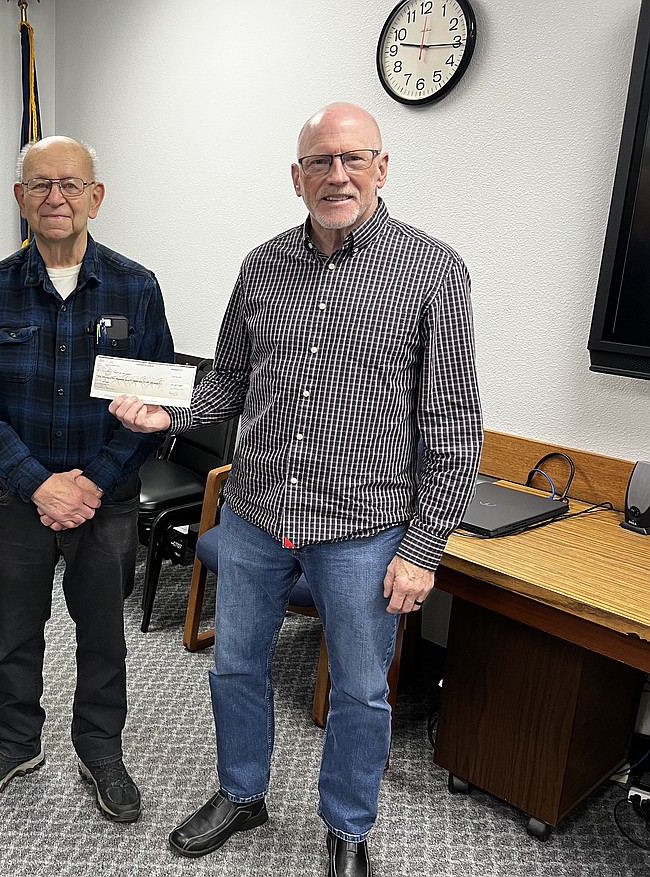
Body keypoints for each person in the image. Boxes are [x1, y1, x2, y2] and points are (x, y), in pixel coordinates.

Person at [110, 103, 481, 876]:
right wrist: (166, 411)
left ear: (382, 168)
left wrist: (423, 547)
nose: (335, 175)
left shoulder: (434, 271)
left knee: (359, 691)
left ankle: (347, 826)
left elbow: (452, 427)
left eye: (353, 159)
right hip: (254, 514)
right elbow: (231, 386)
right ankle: (241, 794)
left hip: (365, 527)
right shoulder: (262, 265)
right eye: (319, 161)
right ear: (296, 175)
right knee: (235, 666)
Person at [0, 135, 175, 824]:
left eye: (71, 184)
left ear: (95, 197)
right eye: (40, 185)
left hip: (105, 502)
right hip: (18, 500)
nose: (56, 197)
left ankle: (100, 749)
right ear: (20, 198)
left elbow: (156, 405)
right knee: (16, 630)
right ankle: (15, 742)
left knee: (102, 631)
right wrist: (36, 482)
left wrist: (93, 482)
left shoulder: (137, 288)